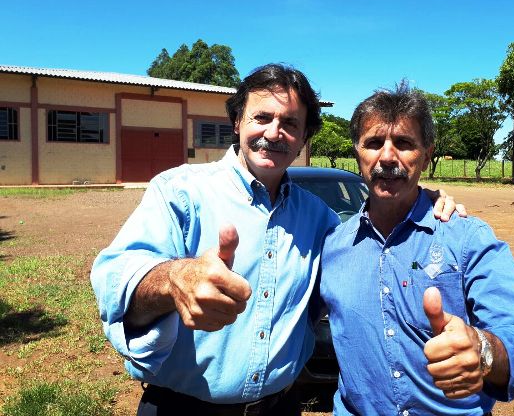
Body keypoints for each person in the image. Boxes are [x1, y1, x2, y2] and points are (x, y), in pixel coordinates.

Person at [91, 64, 461, 416]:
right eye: (262, 117)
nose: (273, 132)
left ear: (304, 138)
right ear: (237, 122)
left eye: (290, 123)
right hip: (180, 409)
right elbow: (115, 279)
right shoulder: (179, 191)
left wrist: (419, 200)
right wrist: (174, 278)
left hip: (280, 407)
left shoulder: (320, 220)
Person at [320, 83, 514, 416]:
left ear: (427, 156)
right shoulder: (332, 246)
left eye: (404, 143)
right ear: (357, 153)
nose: (387, 157)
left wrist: (482, 349)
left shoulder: (467, 238)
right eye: (373, 143)